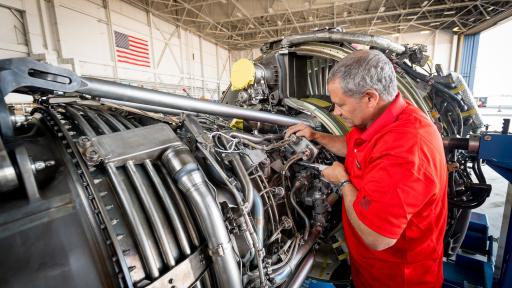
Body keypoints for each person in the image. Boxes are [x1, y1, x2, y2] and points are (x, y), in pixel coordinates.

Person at [286, 50, 447, 287]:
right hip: (369, 268)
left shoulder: (408, 148)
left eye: (340, 104)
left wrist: (342, 182)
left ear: (370, 97)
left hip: (397, 277)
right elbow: (352, 145)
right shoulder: (383, 117)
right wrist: (316, 135)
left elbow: (377, 237)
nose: (335, 112)